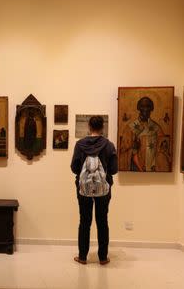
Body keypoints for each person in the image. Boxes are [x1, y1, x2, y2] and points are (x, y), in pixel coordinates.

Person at [71, 116, 118, 265]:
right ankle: (103, 258)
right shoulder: (109, 146)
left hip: (83, 188)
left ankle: (83, 257)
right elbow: (114, 170)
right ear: (102, 128)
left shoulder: (80, 145)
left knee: (84, 221)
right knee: (102, 221)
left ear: (89, 127)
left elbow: (74, 168)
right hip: (103, 189)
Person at [119, 97, 165, 171]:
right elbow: (122, 151)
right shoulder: (130, 128)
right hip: (135, 166)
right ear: (138, 108)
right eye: (143, 106)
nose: (145, 109)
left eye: (148, 106)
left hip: (152, 167)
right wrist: (132, 147)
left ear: (151, 108)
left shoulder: (157, 128)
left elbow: (163, 150)